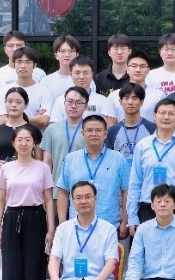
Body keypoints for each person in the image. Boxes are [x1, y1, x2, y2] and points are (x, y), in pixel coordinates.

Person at [0, 125, 55, 280]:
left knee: (34, 271)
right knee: (12, 272)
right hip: (12, 219)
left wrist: (51, 229)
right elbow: (0, 201)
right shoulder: (6, 169)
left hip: (35, 218)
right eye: (20, 139)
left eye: (28, 140)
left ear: (34, 143)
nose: (23, 143)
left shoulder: (42, 168)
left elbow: (48, 200)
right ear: (13, 143)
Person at [0, 88, 44, 280]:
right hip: (1, 181)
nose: (13, 105)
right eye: (10, 101)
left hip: (28, 184)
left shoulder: (32, 131)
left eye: (18, 101)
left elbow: (39, 159)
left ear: (25, 105)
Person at [127, 99, 175, 230]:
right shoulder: (142, 145)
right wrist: (132, 216)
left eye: (171, 113)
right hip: (148, 207)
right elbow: (135, 182)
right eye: (162, 113)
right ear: (154, 115)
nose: (166, 117)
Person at [55, 115, 129, 233]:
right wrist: (62, 224)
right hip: (76, 226)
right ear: (82, 134)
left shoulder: (118, 159)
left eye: (98, 130)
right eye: (89, 130)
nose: (94, 134)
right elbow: (63, 192)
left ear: (105, 134)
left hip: (109, 225)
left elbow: (126, 192)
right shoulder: (70, 159)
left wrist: (125, 221)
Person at [41, 87, 92, 219]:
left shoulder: (91, 131)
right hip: (56, 192)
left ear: (86, 106)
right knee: (56, 228)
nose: (73, 106)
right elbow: (47, 162)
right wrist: (45, 189)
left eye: (79, 102)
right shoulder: (52, 129)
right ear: (64, 103)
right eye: (70, 101)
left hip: (83, 193)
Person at [0, 46, 53, 128]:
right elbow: (2, 120)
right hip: (9, 135)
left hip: (34, 135)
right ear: (14, 64)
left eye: (28, 62)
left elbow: (44, 120)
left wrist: (13, 118)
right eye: (19, 62)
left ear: (34, 65)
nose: (23, 66)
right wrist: (34, 118)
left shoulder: (44, 91)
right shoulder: (3, 91)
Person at [102, 51, 162, 124]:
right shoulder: (114, 96)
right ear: (127, 69)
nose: (138, 70)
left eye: (142, 66)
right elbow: (111, 126)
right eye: (134, 66)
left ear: (148, 70)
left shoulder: (158, 96)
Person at [0, 31, 44, 107]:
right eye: (10, 46)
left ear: (25, 47)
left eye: (19, 45)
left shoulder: (39, 73)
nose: (15, 49)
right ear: (5, 49)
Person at [46, 57, 110, 122]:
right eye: (77, 73)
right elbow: (54, 125)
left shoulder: (102, 101)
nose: (81, 77)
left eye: (86, 73)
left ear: (92, 74)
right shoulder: (61, 100)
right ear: (71, 74)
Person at [107, 84, 156, 159]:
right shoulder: (112, 131)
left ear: (141, 102)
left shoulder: (152, 129)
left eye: (134, 98)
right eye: (126, 98)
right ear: (120, 102)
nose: (130, 102)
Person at [95, 33, 132, 97]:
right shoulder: (99, 78)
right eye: (115, 48)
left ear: (129, 51)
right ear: (109, 52)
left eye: (123, 48)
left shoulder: (135, 76)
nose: (119, 52)